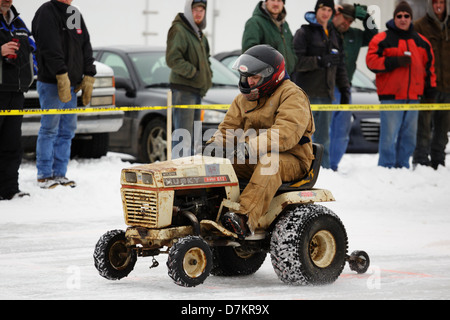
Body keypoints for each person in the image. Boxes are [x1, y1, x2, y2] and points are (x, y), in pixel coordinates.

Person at [206, 44, 315, 238]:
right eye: (246, 77)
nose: (249, 82)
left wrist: (250, 147)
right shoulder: (242, 99)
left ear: (271, 75)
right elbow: (228, 129)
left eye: (254, 77)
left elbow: (285, 133)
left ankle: (242, 217)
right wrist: (214, 147)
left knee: (269, 163)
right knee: (217, 166)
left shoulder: (292, 94)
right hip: (253, 153)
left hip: (292, 159)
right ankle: (206, 211)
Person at [32, 0, 96, 188]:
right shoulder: (46, 12)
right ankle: (44, 174)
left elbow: (85, 44)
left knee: (67, 131)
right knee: (50, 129)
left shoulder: (74, 14)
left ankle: (60, 173)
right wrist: (61, 74)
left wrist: (89, 73)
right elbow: (49, 46)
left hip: (72, 85)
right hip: (53, 83)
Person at [366, 1, 437, 169]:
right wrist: (394, 61)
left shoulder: (422, 42)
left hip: (414, 98)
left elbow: (430, 69)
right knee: (389, 137)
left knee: (409, 137)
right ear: (394, 18)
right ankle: (386, 168)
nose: (403, 19)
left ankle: (403, 167)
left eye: (406, 16)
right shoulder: (382, 39)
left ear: (411, 18)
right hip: (391, 98)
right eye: (399, 16)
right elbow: (371, 62)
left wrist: (430, 91)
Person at [293, 0, 350, 169]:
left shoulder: (333, 34)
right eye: (322, 9)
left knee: (324, 138)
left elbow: (340, 65)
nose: (325, 13)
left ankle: (324, 171)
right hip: (306, 95)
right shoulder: (304, 32)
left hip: (326, 95)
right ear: (316, 10)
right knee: (303, 138)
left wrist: (345, 88)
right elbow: (297, 62)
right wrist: (319, 61)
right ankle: (301, 169)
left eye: (329, 10)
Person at [329, 3, 378, 171]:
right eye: (345, 19)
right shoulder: (326, 31)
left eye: (351, 21)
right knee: (325, 130)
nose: (347, 24)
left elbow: (374, 35)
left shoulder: (355, 35)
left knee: (341, 131)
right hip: (326, 88)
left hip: (345, 88)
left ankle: (333, 166)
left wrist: (366, 17)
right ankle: (323, 165)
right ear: (337, 15)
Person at [166, 0, 212, 159]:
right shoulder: (179, 30)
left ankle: (190, 172)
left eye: (202, 10)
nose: (198, 13)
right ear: (188, 10)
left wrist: (208, 76)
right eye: (195, 9)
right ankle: (178, 173)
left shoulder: (199, 34)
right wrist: (194, 73)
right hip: (183, 90)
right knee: (182, 136)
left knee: (193, 137)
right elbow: (173, 59)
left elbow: (207, 59)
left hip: (196, 90)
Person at [0, 0, 35, 200]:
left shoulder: (19, 23)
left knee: (12, 144)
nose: (7, 0)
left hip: (16, 91)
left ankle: (9, 189)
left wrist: (33, 71)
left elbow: (33, 50)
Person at [413, 0, 450, 170]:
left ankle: (438, 162)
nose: (438, 6)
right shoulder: (420, 26)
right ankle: (421, 161)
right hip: (428, 88)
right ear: (430, 5)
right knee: (424, 128)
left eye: (441, 2)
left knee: (443, 130)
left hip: (448, 88)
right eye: (435, 3)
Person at [242, 0, 297, 75]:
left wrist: (293, 62)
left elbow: (291, 46)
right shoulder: (255, 22)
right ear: (266, 2)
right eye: (273, 0)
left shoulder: (284, 25)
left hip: (285, 76)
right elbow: (249, 51)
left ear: (283, 3)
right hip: (265, 78)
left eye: (279, 1)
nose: (276, 4)